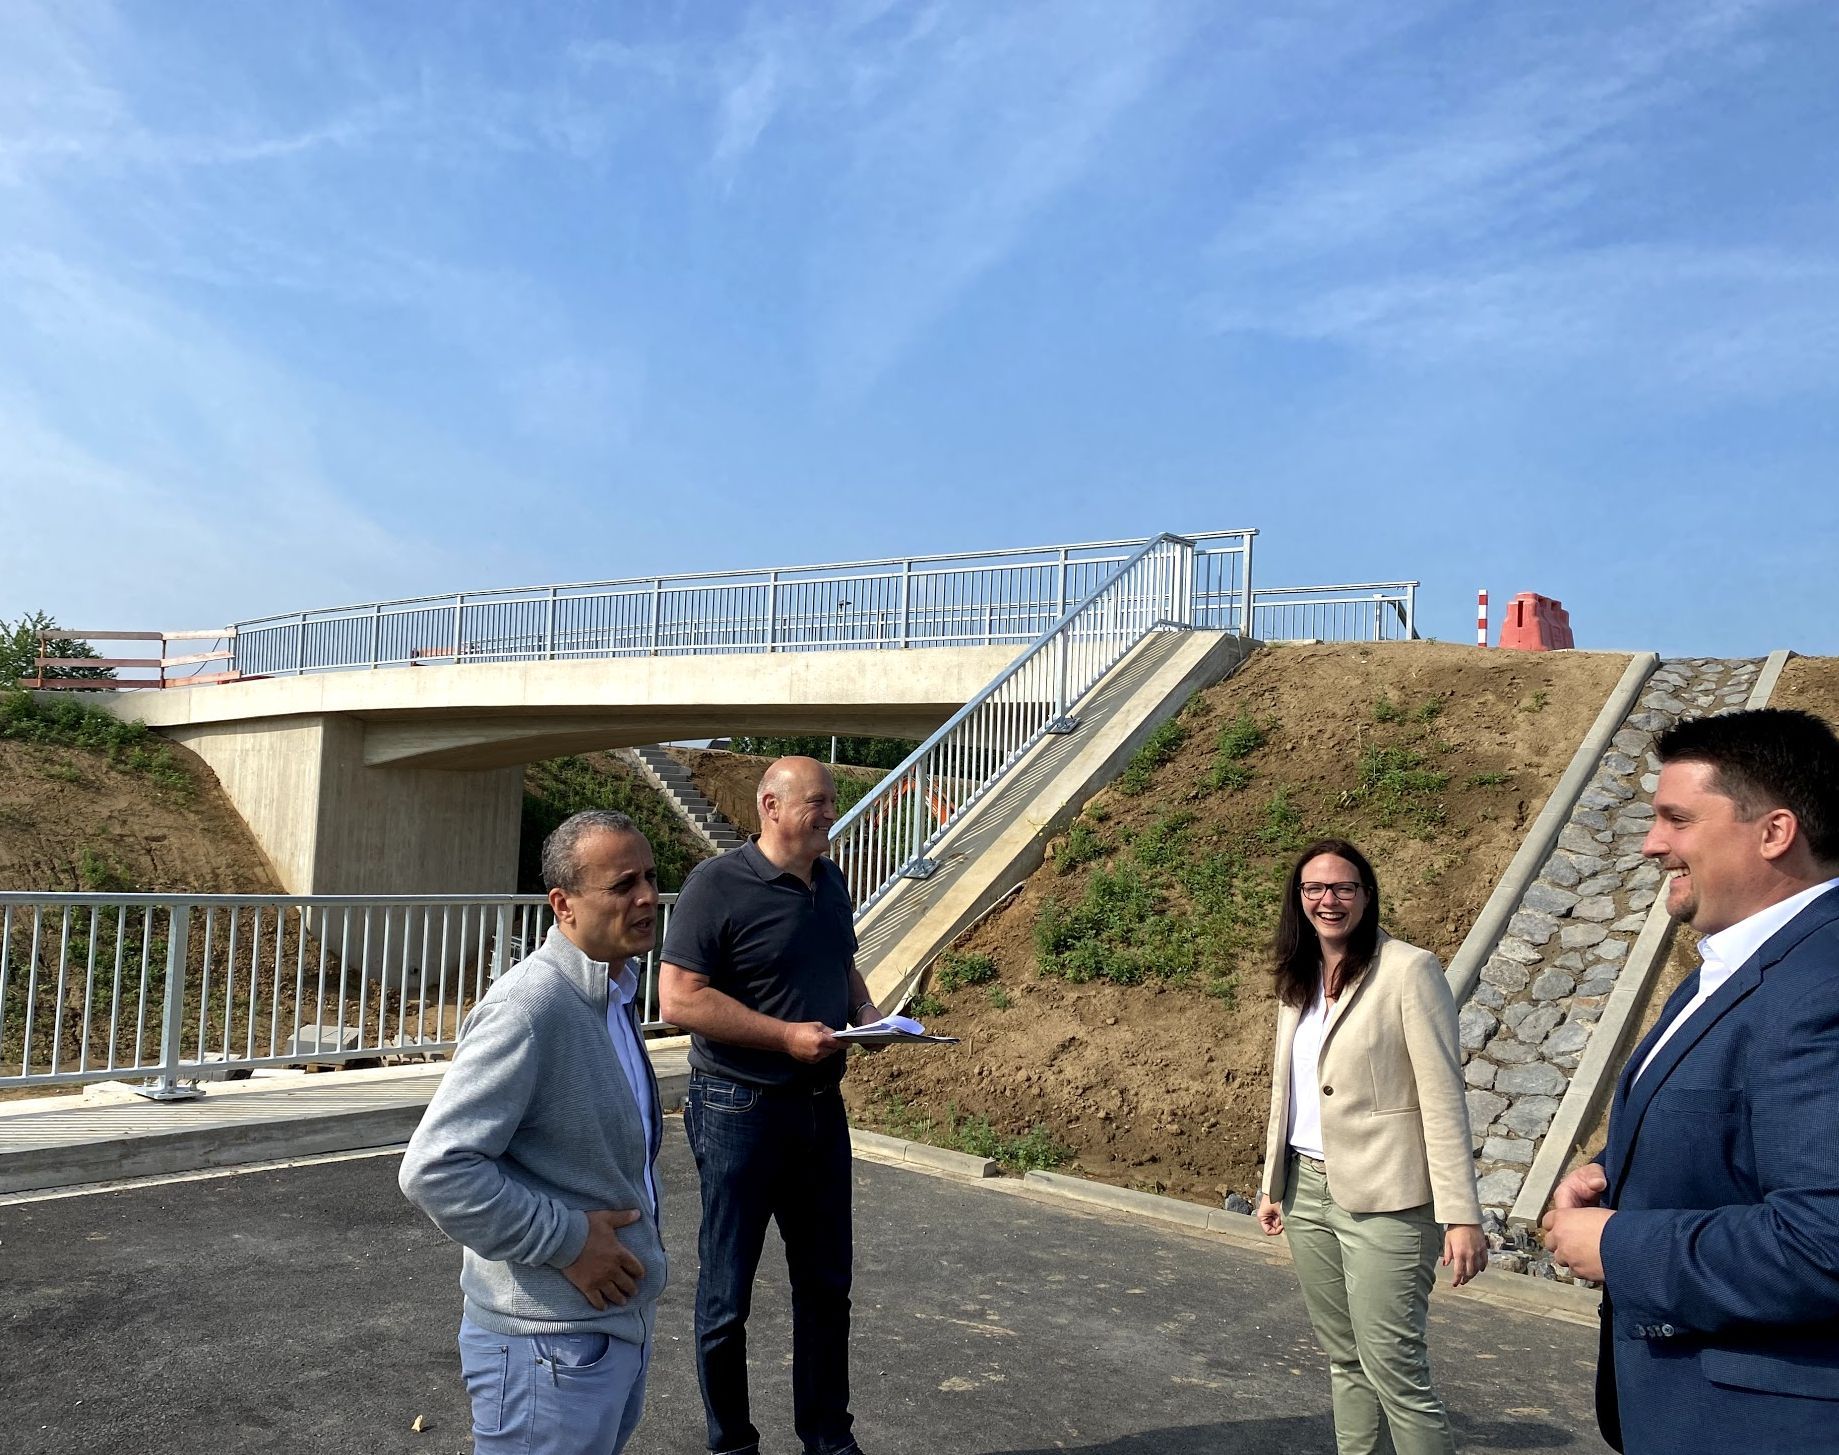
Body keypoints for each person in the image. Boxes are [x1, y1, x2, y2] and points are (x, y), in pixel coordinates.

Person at [1542, 708, 1839, 1454]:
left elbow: (1823, 1238)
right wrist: (1615, 1171)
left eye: (1675, 818)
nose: (1651, 844)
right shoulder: (1733, 963)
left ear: (1773, 832)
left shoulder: (1822, 985)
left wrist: (1622, 1244)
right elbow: (1750, 1129)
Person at [400, 809, 667, 1455]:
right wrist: (569, 1239)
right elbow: (436, 1167)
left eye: (652, 877)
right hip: (543, 1344)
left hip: (602, 1331)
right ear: (563, 903)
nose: (648, 897)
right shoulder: (529, 1007)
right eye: (624, 883)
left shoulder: (611, 992)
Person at [659, 756, 880, 1455]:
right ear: (771, 806)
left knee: (826, 1286)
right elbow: (678, 999)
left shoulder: (830, 879)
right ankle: (732, 1443)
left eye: (831, 802)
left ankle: (827, 1437)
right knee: (727, 1295)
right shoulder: (715, 885)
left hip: (819, 1107)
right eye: (815, 802)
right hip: (738, 1106)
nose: (828, 813)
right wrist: (785, 1035)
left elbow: (841, 963)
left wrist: (867, 1013)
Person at [1255, 837, 1486, 1455]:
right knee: (1344, 1361)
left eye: (1342, 888)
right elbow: (1291, 1090)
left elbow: (1442, 1097)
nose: (1327, 900)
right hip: (1305, 1191)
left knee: (1396, 1372)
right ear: (1298, 899)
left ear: (1365, 895)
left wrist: (1461, 1213)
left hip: (1389, 1199)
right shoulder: (1296, 976)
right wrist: (1273, 1187)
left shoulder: (1410, 970)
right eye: (1314, 889)